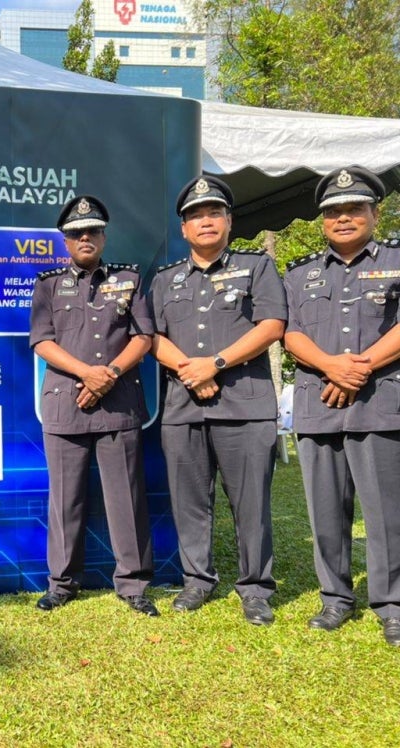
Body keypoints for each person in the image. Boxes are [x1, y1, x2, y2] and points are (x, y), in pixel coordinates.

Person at [149, 175, 286, 626]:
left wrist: (217, 363)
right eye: (194, 216)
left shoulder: (257, 267)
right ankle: (197, 581)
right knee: (190, 501)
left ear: (228, 220)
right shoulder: (167, 280)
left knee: (250, 502)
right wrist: (192, 371)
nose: (204, 222)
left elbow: (272, 325)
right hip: (183, 407)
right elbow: (153, 337)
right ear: (183, 229)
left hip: (244, 405)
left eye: (213, 213)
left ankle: (255, 589)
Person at [283, 166, 400, 645]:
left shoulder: (396, 260)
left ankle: (392, 604)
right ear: (323, 221)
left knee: (385, 512)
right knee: (326, 511)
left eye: (354, 208)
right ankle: (335, 599)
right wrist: (333, 366)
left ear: (375, 212)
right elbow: (289, 333)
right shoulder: (300, 273)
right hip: (319, 406)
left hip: (379, 403)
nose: (344, 217)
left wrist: (360, 367)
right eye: (334, 211)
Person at [29, 196, 157, 617]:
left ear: (103, 236)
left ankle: (134, 585)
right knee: (65, 501)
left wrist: (110, 375)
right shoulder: (48, 284)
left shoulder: (130, 279)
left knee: (127, 498)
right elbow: (42, 342)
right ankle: (62, 584)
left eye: (93, 231)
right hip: (66, 406)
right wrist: (88, 373)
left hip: (118, 403)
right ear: (65, 241)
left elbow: (144, 337)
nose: (85, 238)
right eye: (76, 233)